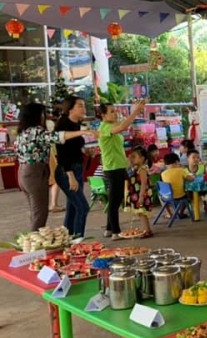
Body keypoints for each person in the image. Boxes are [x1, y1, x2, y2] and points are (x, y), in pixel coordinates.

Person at [16, 102, 94, 232]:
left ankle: (35, 239)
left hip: (24, 173)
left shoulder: (23, 132)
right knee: (40, 213)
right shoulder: (36, 131)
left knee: (35, 212)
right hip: (35, 173)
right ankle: (35, 242)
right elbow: (58, 137)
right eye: (43, 113)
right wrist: (84, 132)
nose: (45, 116)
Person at [98, 100, 146, 238]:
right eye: (112, 111)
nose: (115, 113)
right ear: (103, 115)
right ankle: (116, 231)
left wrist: (136, 110)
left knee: (116, 199)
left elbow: (125, 123)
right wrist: (136, 111)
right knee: (114, 200)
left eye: (115, 110)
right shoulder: (105, 128)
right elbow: (123, 126)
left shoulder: (112, 125)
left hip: (119, 166)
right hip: (113, 167)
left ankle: (109, 228)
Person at [54, 96, 92, 238]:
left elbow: (73, 148)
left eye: (84, 105)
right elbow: (62, 154)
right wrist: (70, 176)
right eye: (80, 106)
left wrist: (85, 151)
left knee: (73, 208)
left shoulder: (76, 124)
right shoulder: (63, 125)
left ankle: (68, 238)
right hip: (66, 171)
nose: (84, 109)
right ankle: (78, 240)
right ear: (70, 109)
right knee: (83, 208)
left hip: (77, 168)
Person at [124, 146, 154, 238]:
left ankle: (147, 230)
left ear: (142, 158)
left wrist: (141, 196)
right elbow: (127, 170)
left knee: (141, 212)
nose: (132, 159)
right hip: (136, 193)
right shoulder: (136, 167)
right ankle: (146, 229)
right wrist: (130, 162)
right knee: (140, 212)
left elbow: (144, 183)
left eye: (134, 157)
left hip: (141, 193)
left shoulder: (142, 169)